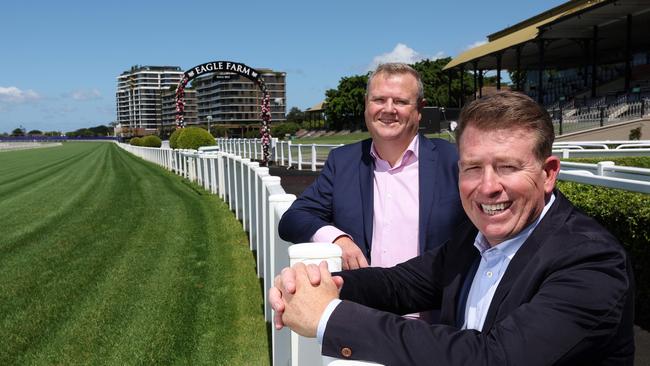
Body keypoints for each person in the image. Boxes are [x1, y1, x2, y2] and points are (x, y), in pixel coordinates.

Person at [270, 91, 635, 365]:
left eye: (507, 167)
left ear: (548, 173)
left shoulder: (591, 261)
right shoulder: (474, 237)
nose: (488, 186)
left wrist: (330, 318)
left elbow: (495, 359)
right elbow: (401, 284)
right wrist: (317, 285)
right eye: (473, 168)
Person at [278, 63, 465, 270]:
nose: (388, 109)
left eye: (401, 101)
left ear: (420, 109)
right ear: (367, 104)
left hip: (434, 300)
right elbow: (293, 219)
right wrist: (337, 239)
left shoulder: (453, 161)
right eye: (379, 100)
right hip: (361, 298)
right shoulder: (342, 162)